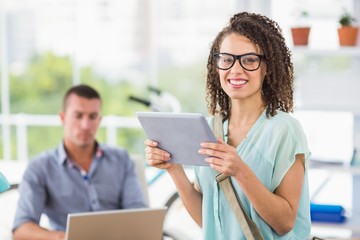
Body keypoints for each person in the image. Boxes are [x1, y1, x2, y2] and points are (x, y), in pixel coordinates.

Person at [144, 12, 311, 239]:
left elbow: (285, 223)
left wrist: (240, 171)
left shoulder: (285, 130)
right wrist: (174, 169)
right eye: (226, 59)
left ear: (268, 67)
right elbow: (209, 221)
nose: (236, 69)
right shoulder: (210, 129)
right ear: (217, 66)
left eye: (249, 60)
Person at [13, 84, 147, 240]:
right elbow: (21, 229)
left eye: (92, 117)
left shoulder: (121, 160)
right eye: (78, 115)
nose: (85, 125)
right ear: (63, 118)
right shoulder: (40, 167)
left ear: (99, 119)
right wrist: (64, 238)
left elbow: (138, 215)